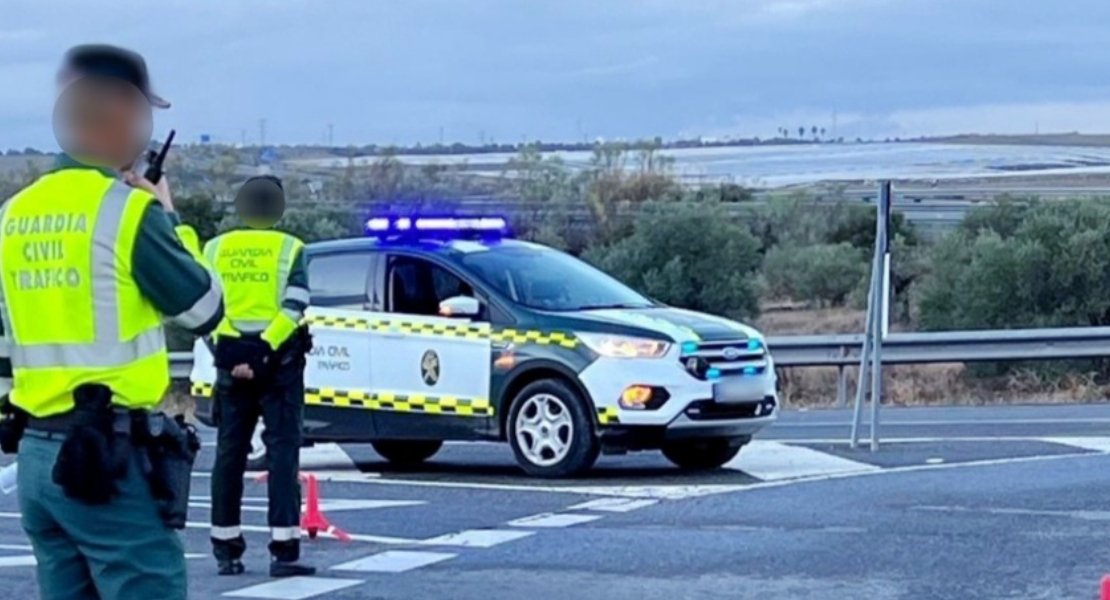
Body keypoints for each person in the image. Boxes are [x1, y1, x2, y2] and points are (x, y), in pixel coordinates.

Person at [0, 45, 223, 600]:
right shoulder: (126, 212)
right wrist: (169, 218)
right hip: (110, 461)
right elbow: (203, 309)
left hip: (38, 456)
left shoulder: (13, 215)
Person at [206, 175, 314, 578]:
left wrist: (232, 354)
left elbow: (205, 306)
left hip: (232, 366)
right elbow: (295, 306)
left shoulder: (215, 248)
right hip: (279, 367)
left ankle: (225, 551)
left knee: (229, 455)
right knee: (283, 454)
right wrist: (264, 350)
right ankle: (283, 550)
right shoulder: (290, 248)